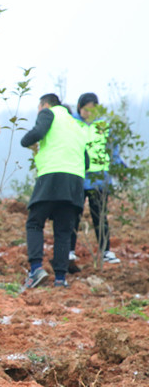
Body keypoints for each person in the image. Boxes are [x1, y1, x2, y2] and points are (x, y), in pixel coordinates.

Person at [19, 93, 87, 289]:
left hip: (52, 176)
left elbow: (36, 133)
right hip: (75, 181)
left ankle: (36, 269)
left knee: (34, 222)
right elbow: (87, 161)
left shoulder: (49, 113)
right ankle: (60, 278)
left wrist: (27, 141)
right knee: (63, 231)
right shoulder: (77, 125)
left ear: (44, 105)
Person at [68, 92, 122, 268]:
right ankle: (69, 250)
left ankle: (105, 250)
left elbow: (112, 150)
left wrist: (119, 167)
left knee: (100, 216)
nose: (89, 113)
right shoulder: (72, 124)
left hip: (99, 178)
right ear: (79, 108)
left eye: (93, 109)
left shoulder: (104, 126)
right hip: (78, 175)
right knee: (73, 215)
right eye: (86, 109)